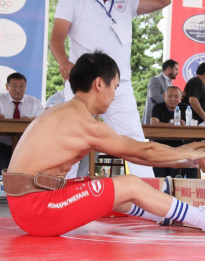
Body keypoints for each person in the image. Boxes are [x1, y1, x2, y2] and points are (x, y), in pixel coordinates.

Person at [1, 51, 205, 237]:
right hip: (37, 210)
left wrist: (183, 160)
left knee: (100, 186)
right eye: (115, 87)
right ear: (99, 83)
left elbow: (131, 153)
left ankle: (162, 213)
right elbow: (145, 151)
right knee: (129, 183)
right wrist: (192, 152)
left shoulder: (64, 112)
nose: (114, 95)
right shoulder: (82, 122)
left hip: (28, 207)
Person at [50, 0, 171, 178]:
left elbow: (164, 1)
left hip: (118, 85)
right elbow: (56, 37)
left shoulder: (127, 2)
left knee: (134, 140)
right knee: (70, 140)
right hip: (83, 83)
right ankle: (61, 195)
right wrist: (63, 61)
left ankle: (149, 196)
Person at [151, 86, 198, 178]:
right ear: (164, 96)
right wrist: (171, 125)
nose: (173, 99)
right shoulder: (158, 107)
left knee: (193, 157)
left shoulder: (186, 108)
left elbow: (191, 124)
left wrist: (184, 125)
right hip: (162, 145)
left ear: (180, 98)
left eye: (176, 96)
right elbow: (153, 123)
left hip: (181, 145)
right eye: (170, 96)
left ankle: (190, 187)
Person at [0, 72, 44, 171]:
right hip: (2, 144)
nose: (18, 90)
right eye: (14, 86)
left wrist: (31, 120)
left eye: (22, 86)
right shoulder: (1, 99)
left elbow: (43, 119)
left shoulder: (34, 102)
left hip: (26, 146)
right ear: (7, 87)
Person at [142, 59, 179, 125]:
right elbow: (154, 96)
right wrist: (172, 102)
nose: (177, 72)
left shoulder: (171, 85)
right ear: (169, 69)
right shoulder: (155, 80)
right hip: (153, 120)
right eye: (176, 69)